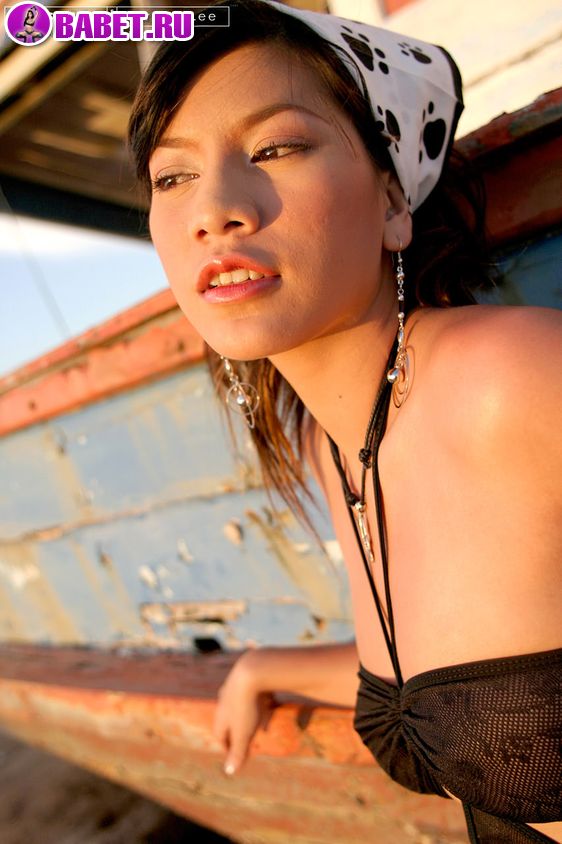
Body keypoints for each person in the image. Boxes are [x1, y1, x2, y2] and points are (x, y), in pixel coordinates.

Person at [128, 1, 562, 841]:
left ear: (393, 200)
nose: (214, 208)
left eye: (275, 148)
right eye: (172, 176)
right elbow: (473, 665)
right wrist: (267, 666)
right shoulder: (336, 445)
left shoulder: (511, 379)